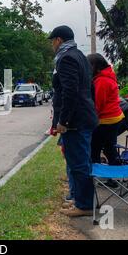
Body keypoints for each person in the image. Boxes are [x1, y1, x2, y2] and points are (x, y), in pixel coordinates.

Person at [49, 25, 99, 217]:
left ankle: (84, 206)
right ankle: (80, 200)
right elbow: (90, 88)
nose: (52, 44)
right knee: (82, 162)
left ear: (59, 40)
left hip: (75, 121)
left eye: (52, 41)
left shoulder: (66, 58)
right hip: (84, 116)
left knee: (78, 164)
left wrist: (64, 121)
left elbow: (70, 92)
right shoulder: (80, 56)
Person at [87, 54, 124, 167]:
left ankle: (102, 175)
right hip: (114, 118)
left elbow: (98, 104)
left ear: (96, 67)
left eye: (89, 66)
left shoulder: (102, 81)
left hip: (107, 120)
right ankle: (114, 176)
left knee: (95, 148)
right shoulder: (107, 76)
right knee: (109, 148)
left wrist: (90, 120)